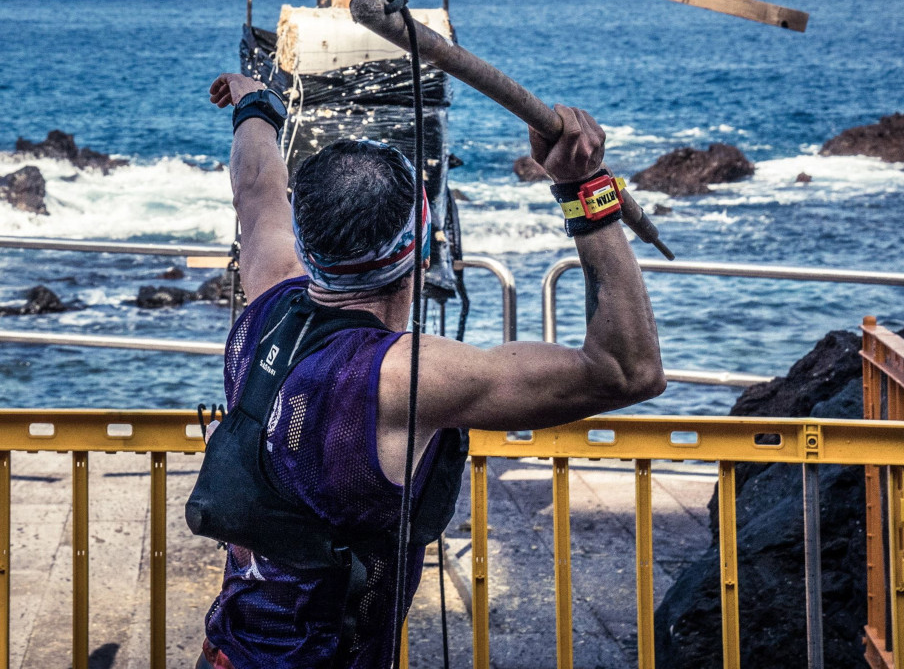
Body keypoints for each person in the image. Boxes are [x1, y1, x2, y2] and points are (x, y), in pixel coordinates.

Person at [194, 72, 667, 669]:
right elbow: (628, 371)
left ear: (306, 240)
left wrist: (254, 105)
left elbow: (257, 190)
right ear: (419, 241)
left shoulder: (268, 299)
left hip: (228, 650)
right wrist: (586, 187)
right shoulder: (406, 377)